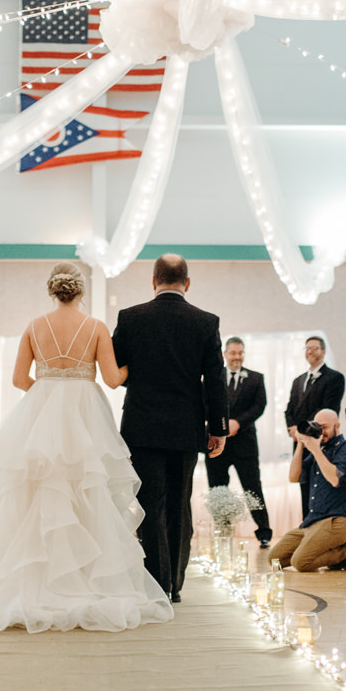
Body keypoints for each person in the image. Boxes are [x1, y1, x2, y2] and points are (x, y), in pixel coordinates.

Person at [0, 263, 172, 632]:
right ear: (81, 292)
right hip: (86, 414)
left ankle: (35, 581)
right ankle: (85, 579)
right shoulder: (96, 327)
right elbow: (114, 380)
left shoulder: (35, 326)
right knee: (87, 490)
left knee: (35, 495)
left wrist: (52, 389)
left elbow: (21, 379)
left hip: (42, 412)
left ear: (52, 291)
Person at [113, 255, 228, 602]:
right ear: (187, 283)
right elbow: (215, 379)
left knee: (150, 504)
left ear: (153, 281)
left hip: (142, 426)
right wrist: (218, 427)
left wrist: (144, 380)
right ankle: (175, 585)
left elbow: (117, 370)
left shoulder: (130, 318)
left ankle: (157, 584)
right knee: (180, 505)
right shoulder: (206, 322)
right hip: (186, 428)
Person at [268, 409, 346, 572]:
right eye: (317, 427)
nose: (320, 432)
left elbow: (335, 479)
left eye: (324, 427)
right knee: (274, 560)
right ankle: (326, 550)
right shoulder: (319, 450)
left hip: (338, 520)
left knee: (300, 562)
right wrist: (301, 445)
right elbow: (294, 477)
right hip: (313, 521)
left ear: (337, 426)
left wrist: (315, 449)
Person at [206, 337, 272, 548]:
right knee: (217, 488)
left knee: (253, 488)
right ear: (225, 354)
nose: (236, 357)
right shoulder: (213, 378)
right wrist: (222, 426)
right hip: (216, 443)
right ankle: (223, 530)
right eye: (233, 353)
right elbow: (206, 404)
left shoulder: (255, 378)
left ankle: (264, 532)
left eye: (240, 353)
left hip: (245, 444)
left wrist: (238, 423)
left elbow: (259, 406)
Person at [283, 335, 345, 518]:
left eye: (315, 348)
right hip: (300, 444)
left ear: (323, 351)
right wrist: (292, 427)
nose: (310, 351)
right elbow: (289, 409)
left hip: (321, 442)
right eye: (307, 348)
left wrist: (303, 430)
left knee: (320, 487)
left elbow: (327, 410)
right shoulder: (298, 380)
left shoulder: (334, 378)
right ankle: (306, 526)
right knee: (303, 486)